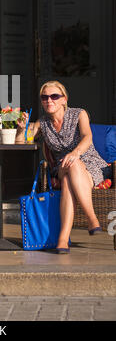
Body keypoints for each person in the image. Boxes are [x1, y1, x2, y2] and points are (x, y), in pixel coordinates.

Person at [16, 80, 111, 254]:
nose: (49, 100)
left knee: (68, 181)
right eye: (44, 97)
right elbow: (21, 143)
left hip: (90, 164)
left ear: (64, 99)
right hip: (60, 166)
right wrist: (21, 129)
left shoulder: (79, 114)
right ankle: (92, 218)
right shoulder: (42, 123)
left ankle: (62, 239)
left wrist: (75, 153)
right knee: (69, 166)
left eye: (54, 96)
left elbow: (87, 136)